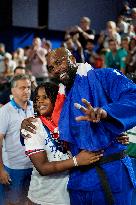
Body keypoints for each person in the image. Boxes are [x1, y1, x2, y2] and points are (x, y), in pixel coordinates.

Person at [21, 47, 136, 205]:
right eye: (51, 67)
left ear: (73, 59)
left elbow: (133, 97)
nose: (55, 69)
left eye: (59, 62)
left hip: (111, 174)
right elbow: (46, 120)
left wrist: (106, 112)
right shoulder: (60, 97)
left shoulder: (105, 76)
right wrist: (27, 121)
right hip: (78, 181)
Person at [22, 82, 103, 205]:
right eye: (37, 98)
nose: (40, 102)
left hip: (70, 196)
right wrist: (76, 161)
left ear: (57, 99)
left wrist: (118, 137)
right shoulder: (32, 127)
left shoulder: (70, 123)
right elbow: (43, 168)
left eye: (45, 97)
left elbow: (94, 136)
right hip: (43, 198)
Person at [0, 74, 33, 205]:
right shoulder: (5, 111)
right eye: (22, 88)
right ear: (13, 90)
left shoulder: (35, 107)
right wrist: (0, 169)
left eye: (29, 87)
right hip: (13, 169)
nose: (27, 91)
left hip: (35, 167)